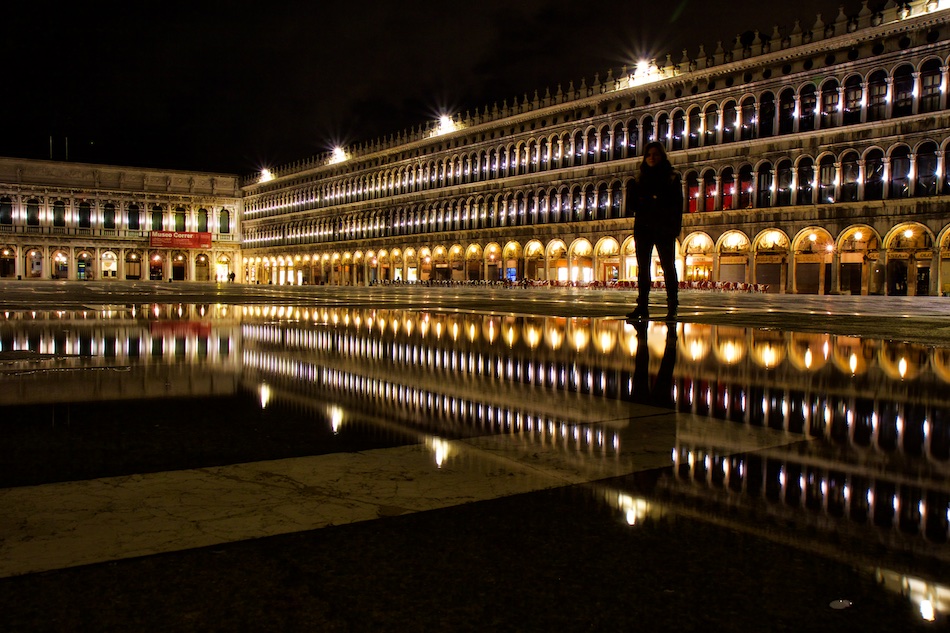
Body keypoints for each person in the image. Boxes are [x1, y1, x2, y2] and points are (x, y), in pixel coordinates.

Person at [626, 141, 684, 321]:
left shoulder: (672, 178)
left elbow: (677, 205)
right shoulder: (638, 179)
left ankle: (672, 306)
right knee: (643, 268)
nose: (652, 157)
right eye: (649, 154)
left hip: (664, 227)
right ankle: (642, 305)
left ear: (662, 156)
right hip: (643, 228)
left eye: (655, 154)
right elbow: (631, 205)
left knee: (668, 267)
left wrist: (675, 229)